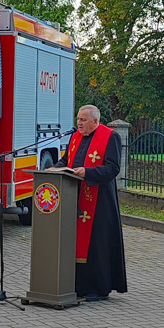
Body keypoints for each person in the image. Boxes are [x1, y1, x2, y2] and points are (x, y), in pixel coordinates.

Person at [54, 104, 127, 301]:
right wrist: (53, 170)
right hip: (74, 197)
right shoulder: (75, 137)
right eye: (78, 119)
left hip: (100, 199)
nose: (79, 123)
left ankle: (99, 288)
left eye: (83, 120)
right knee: (76, 241)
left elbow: (112, 168)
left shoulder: (110, 137)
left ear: (95, 121)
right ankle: (79, 286)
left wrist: (88, 172)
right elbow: (66, 161)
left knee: (97, 243)